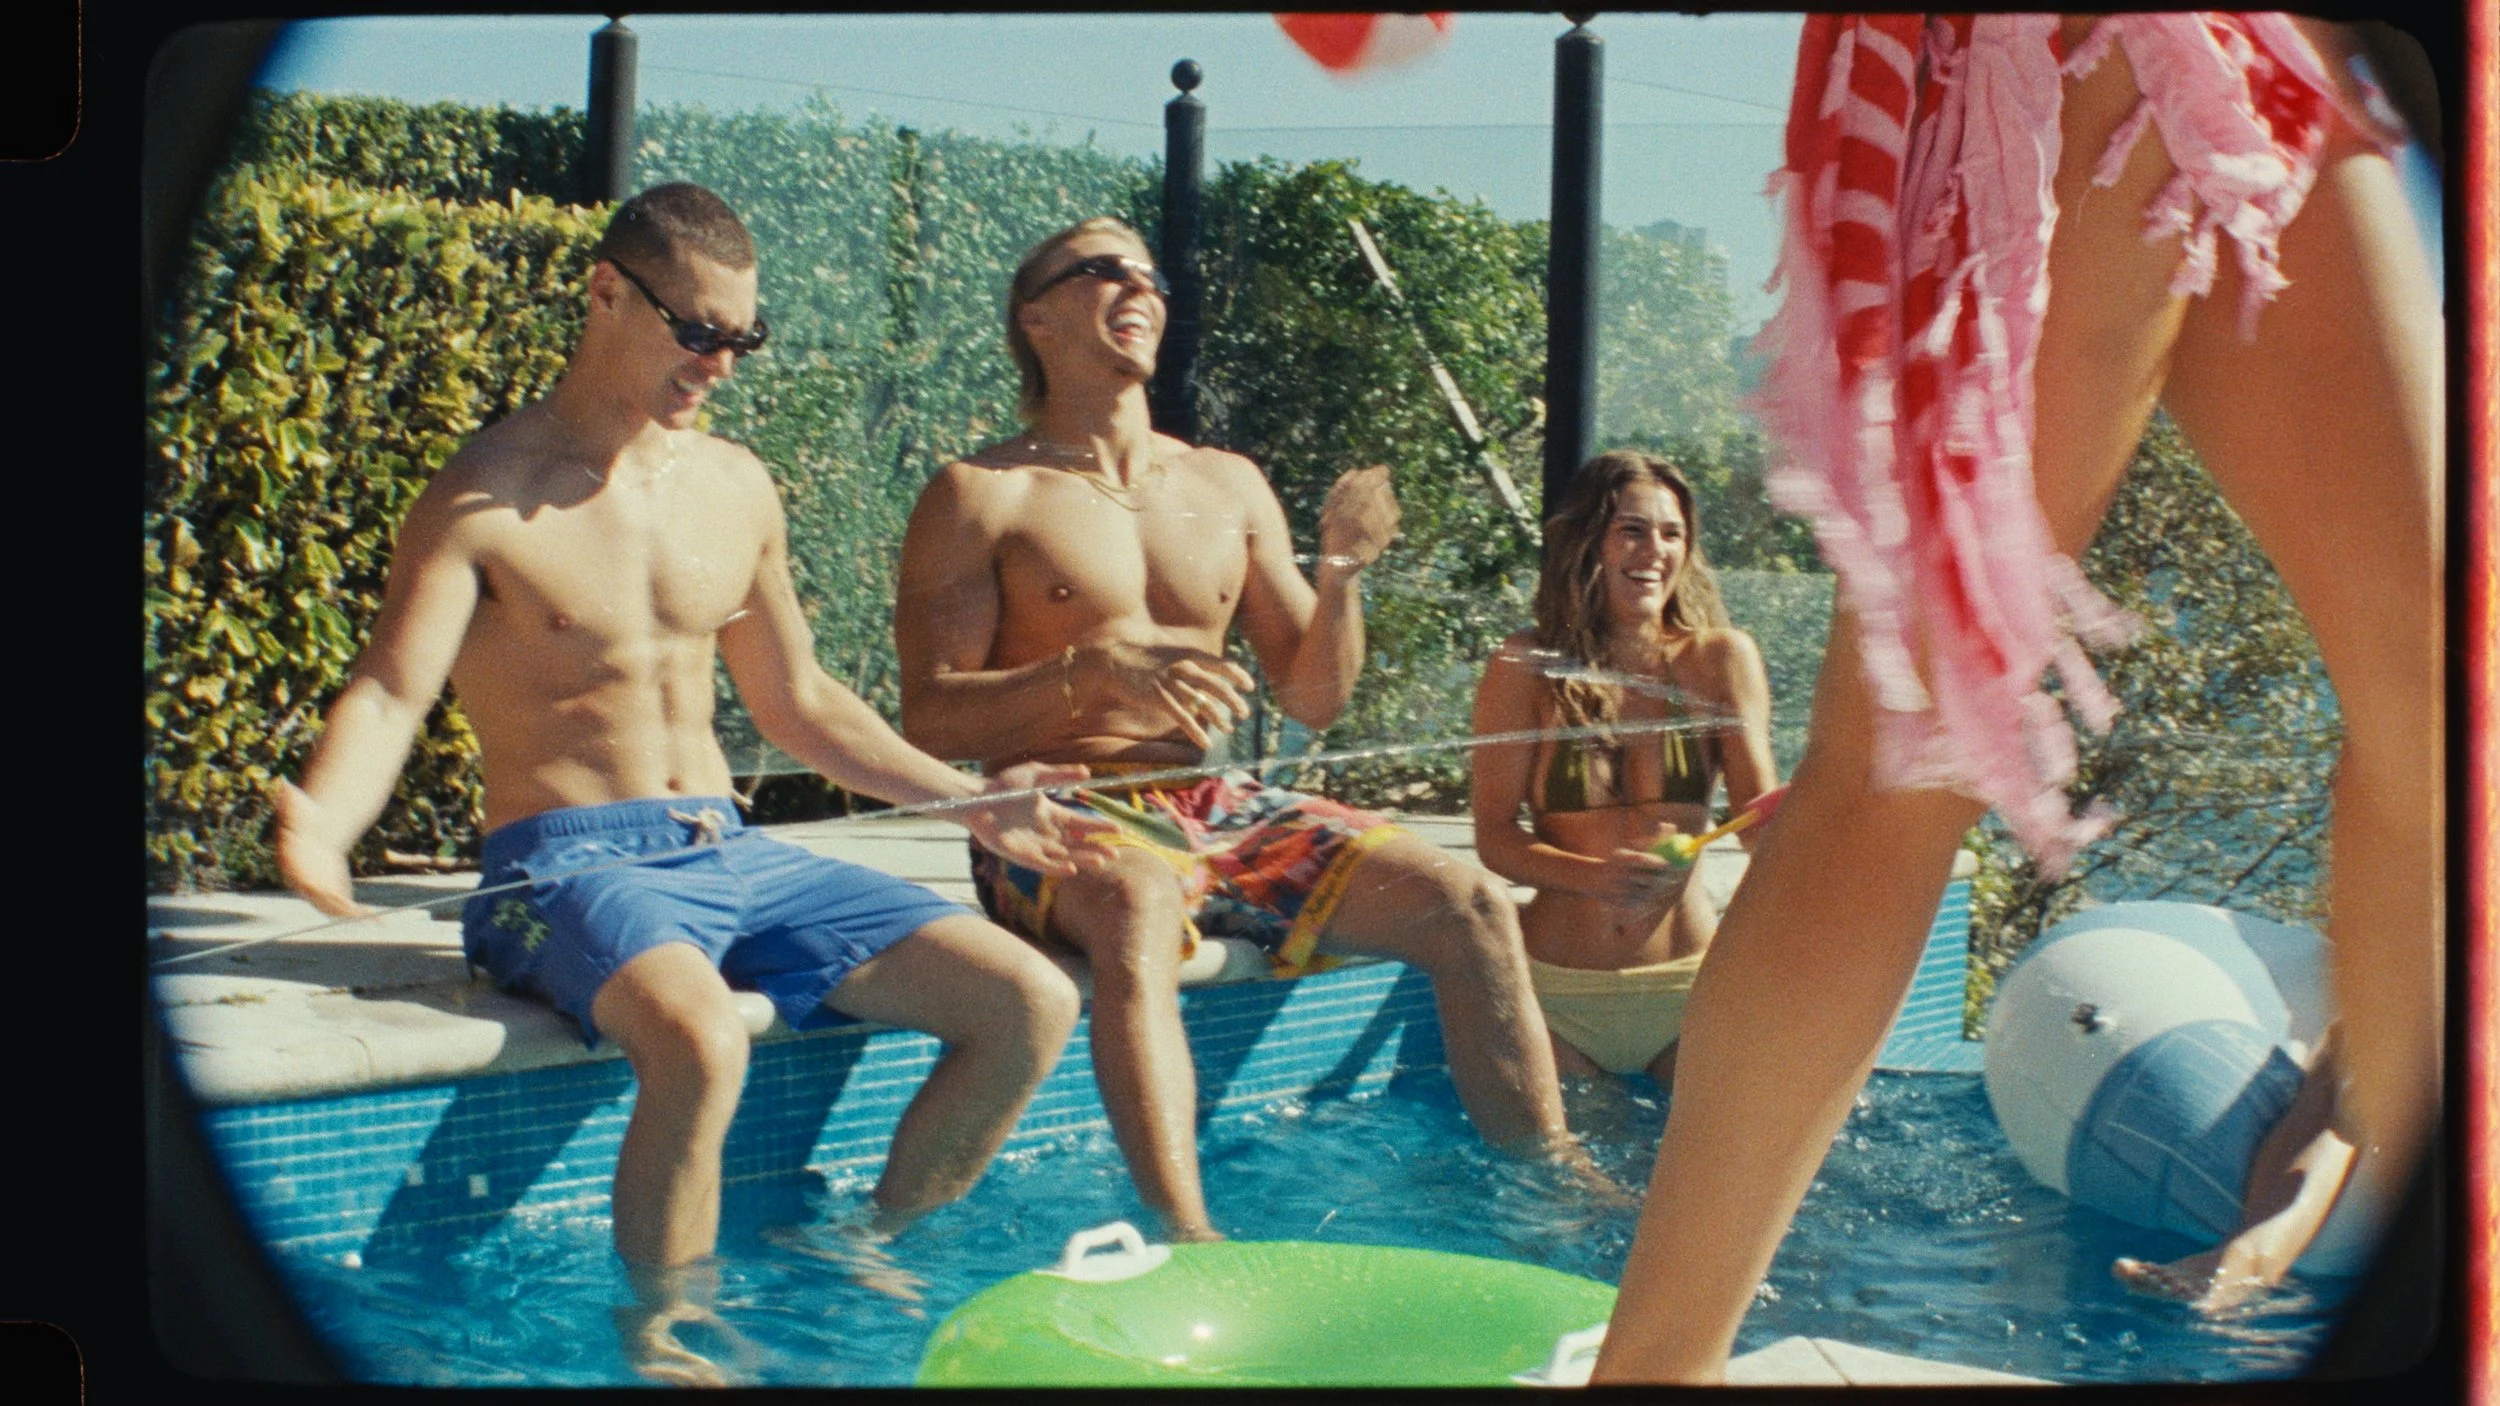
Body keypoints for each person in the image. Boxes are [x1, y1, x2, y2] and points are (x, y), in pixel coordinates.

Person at [1592, 15, 2441, 1381]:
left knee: (2451, 704)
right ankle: (1655, 1370)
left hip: (2274, 46)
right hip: (2053, 49)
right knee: (1906, 761)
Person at [272, 183, 1111, 1383]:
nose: (721, 361)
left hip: (724, 844)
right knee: (704, 1040)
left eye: (742, 338)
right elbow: (392, 691)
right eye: (698, 329)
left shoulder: (734, 487)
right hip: (563, 861)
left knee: (1025, 1000)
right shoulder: (484, 495)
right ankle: (664, 1347)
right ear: (608, 292)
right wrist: (329, 821)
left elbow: (801, 704)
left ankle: (868, 1247)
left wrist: (974, 800)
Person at [893, 216, 1579, 1243]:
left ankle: (1551, 1196)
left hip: (1219, 803)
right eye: (1103, 270)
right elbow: (929, 712)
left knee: (1469, 903)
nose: (1139, 286)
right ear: (1034, 316)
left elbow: (1311, 698)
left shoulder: (1226, 484)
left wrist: (1343, 566)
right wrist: (1088, 673)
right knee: (1135, 896)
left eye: (1149, 272)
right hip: (1057, 810)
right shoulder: (981, 492)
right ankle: (1185, 1236)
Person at [1469, 451, 1779, 1096]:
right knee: (1572, 1193)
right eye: (1632, 529)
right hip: (1556, 995)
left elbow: (1759, 828)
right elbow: (1494, 836)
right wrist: (1595, 878)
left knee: (1700, 1187)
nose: (1655, 550)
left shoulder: (1720, 659)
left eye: (1672, 533)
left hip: (1688, 988)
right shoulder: (1526, 664)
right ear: (1589, 541)